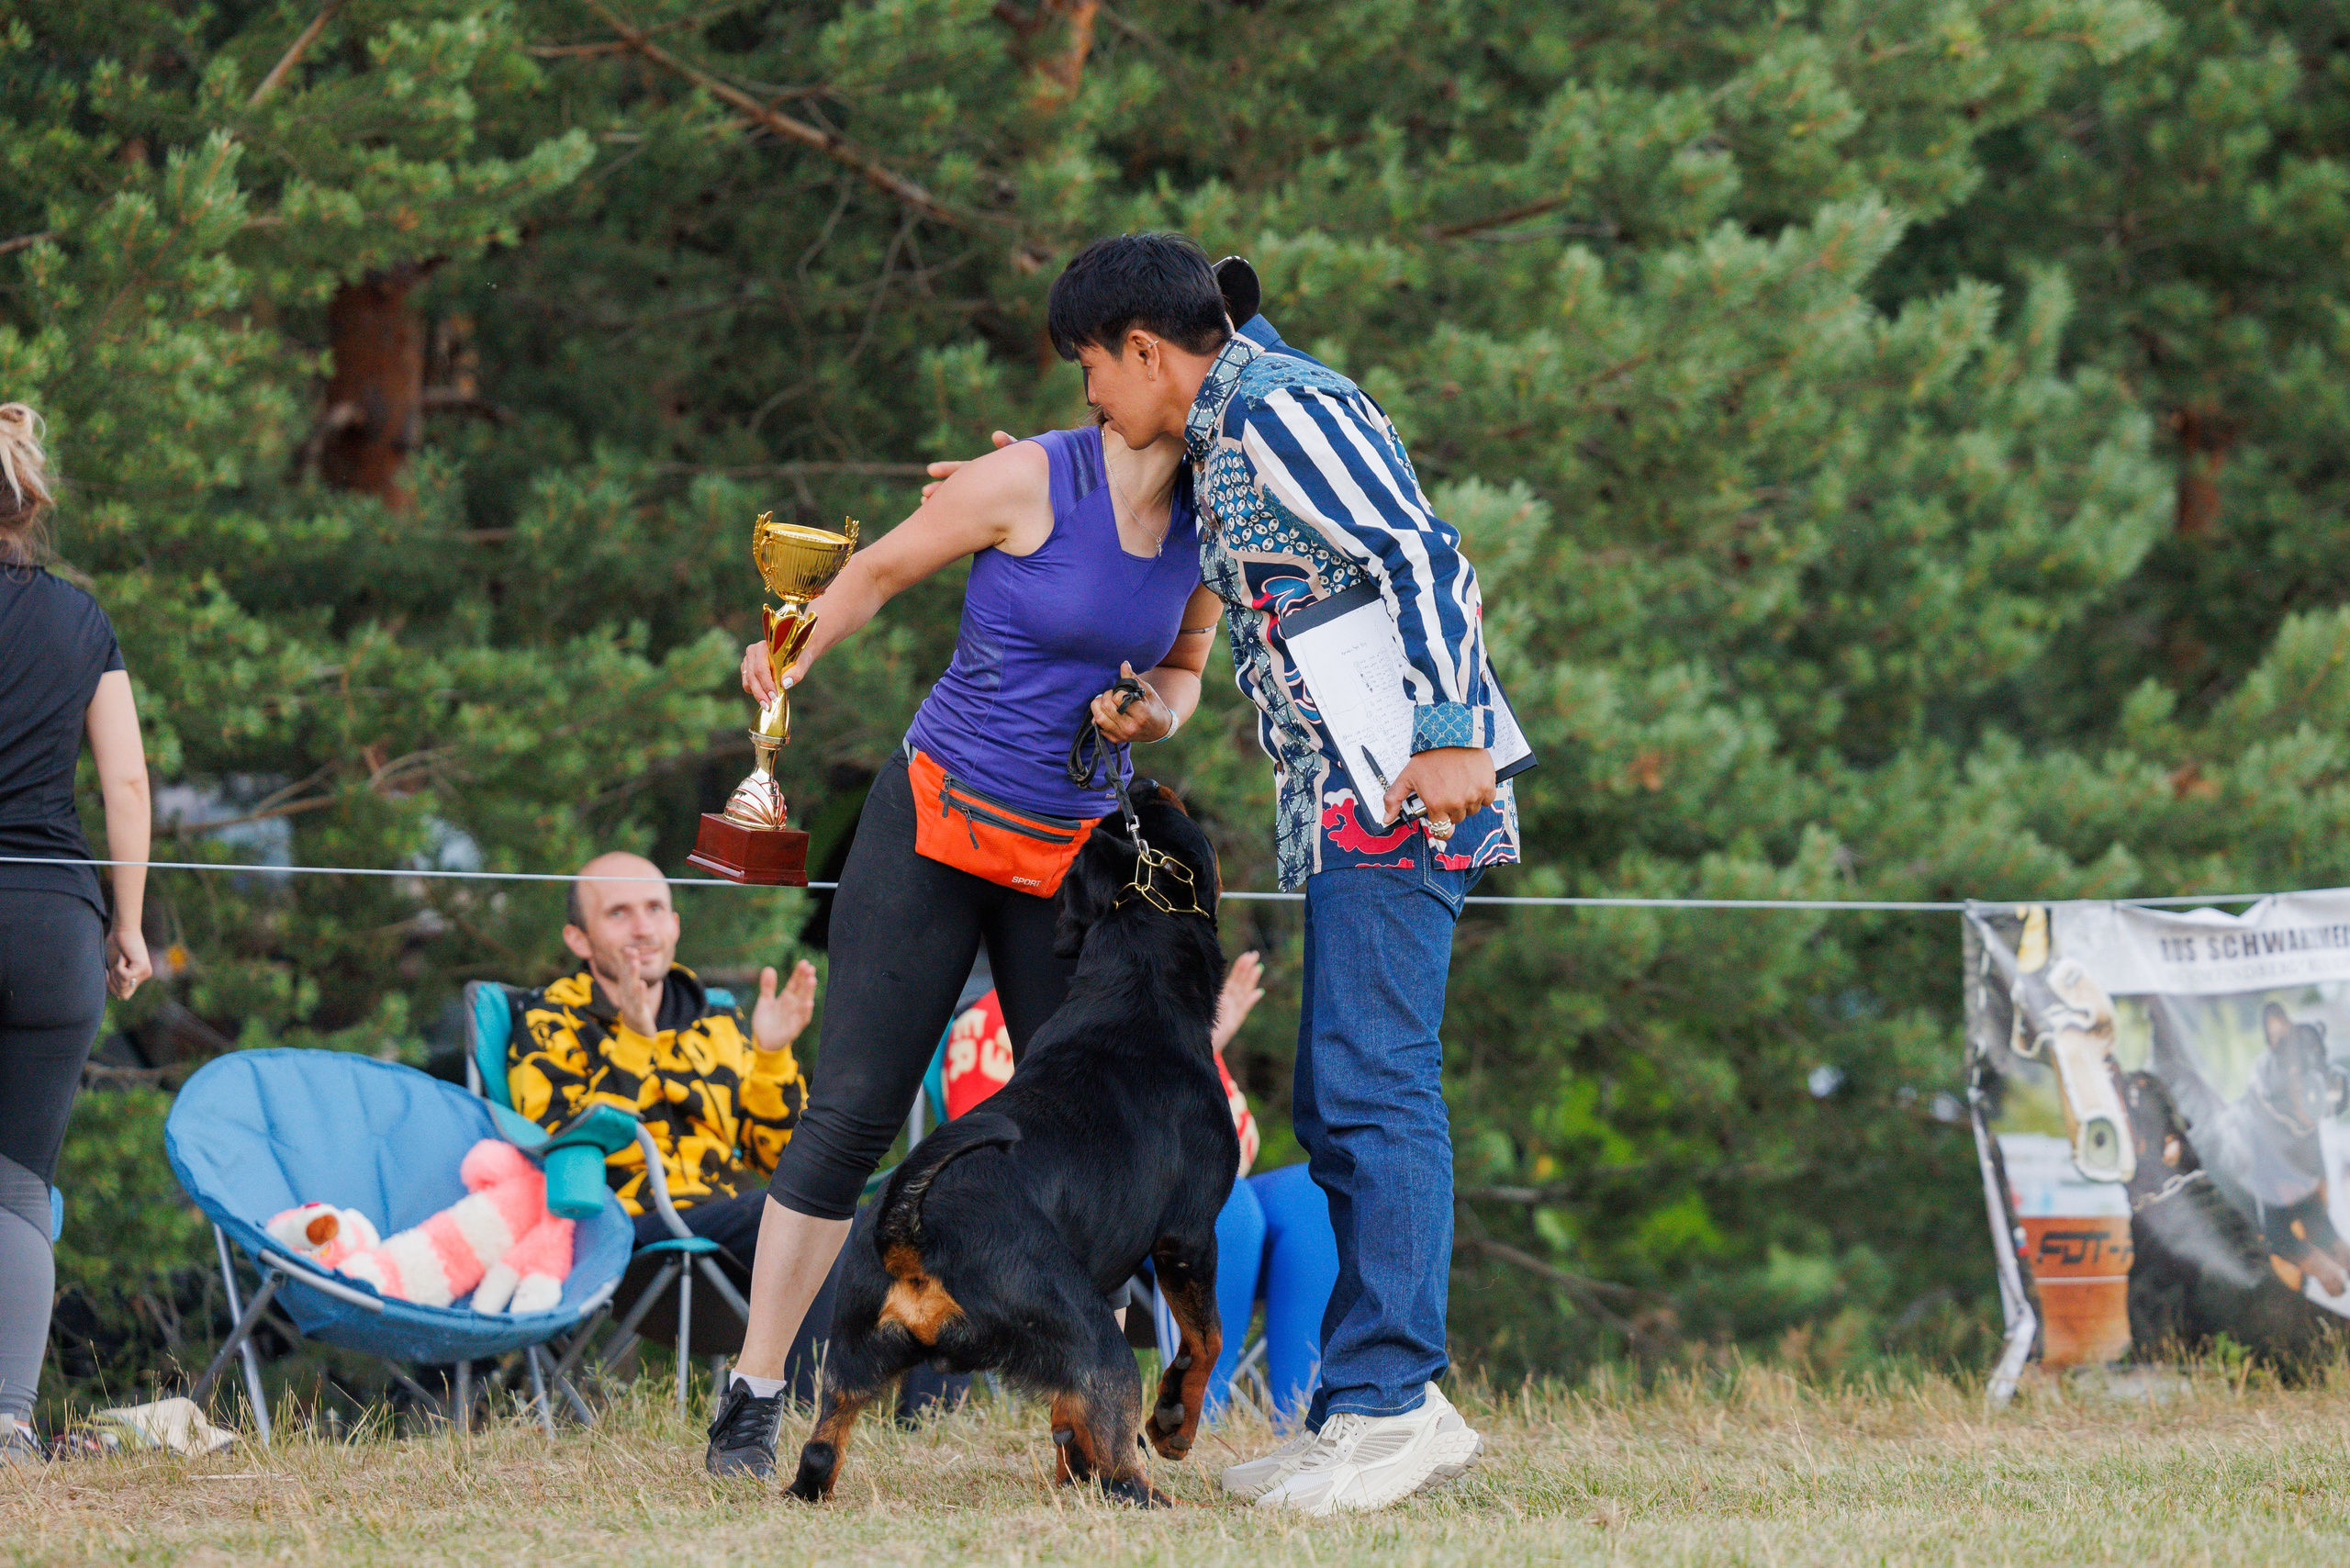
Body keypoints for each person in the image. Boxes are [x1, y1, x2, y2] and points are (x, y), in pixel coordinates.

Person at [1041, 234, 1516, 1514]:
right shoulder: (1222, 427)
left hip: (1409, 784)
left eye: (1092, 369)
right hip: (1351, 794)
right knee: (1336, 1092)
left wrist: (1452, 730)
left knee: (1377, 1088)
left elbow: (1427, 554)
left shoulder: (1281, 410)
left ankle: (1397, 1402)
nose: (1091, 397)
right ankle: (1365, 1401)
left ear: (1147, 350)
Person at [703, 399, 1226, 1476]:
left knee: (1090, 1134)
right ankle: (753, 1397)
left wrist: (1155, 718)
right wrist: (793, 657)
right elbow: (880, 570)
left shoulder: (1211, 518)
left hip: (1072, 857)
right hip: (933, 825)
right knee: (852, 1112)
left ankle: (1085, 1423)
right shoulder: (1028, 479)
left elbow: (1186, 666)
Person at [0, 403, 152, 1462]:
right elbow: (126, 780)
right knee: (16, 1182)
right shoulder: (80, 619)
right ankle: (6, 1421)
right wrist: (130, 924)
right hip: (55, 923)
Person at [508, 853, 815, 1281]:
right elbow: (558, 1143)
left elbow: (781, 1162)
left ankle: (822, 1351)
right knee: (789, 1220)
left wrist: (772, 1056)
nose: (643, 928)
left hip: (725, 1219)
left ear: (674, 924)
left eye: (654, 909)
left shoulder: (716, 1020)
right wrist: (634, 1041)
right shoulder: (551, 1022)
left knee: (840, 1219)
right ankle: (814, 1352)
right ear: (579, 940)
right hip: (616, 1230)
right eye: (619, 913)